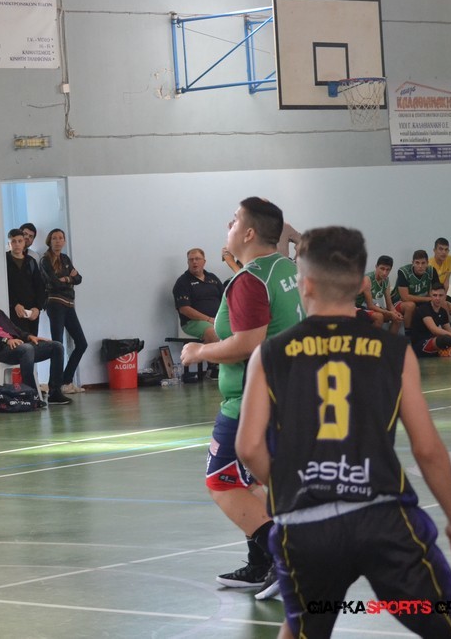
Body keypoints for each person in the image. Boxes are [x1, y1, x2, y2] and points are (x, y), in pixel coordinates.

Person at [236, 226, 451, 639]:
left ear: (304, 283)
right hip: (383, 519)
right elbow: (427, 448)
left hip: (307, 527)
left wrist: (294, 491)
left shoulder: (269, 354)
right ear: (362, 284)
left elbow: (248, 446)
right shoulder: (393, 351)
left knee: (301, 627)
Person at [181, 197, 303, 599]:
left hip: (253, 401)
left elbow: (248, 343)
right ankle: (262, 563)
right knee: (249, 480)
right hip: (286, 393)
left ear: (249, 233)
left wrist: (199, 351)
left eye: (234, 221)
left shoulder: (249, 281)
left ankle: (287, 557)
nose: (228, 225)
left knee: (222, 481)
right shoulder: (283, 268)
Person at [0, 281, 71, 405]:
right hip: (0, 351)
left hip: (18, 347)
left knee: (57, 346)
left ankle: (55, 393)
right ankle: (31, 395)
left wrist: (30, 336)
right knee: (26, 349)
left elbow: (16, 330)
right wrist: (5, 340)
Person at [40, 228, 88, 395]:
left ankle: (65, 381)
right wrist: (70, 279)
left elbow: (79, 278)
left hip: (69, 304)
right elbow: (53, 283)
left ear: (64, 241)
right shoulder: (45, 260)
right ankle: (54, 385)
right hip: (55, 304)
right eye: (55, 238)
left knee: (82, 343)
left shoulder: (65, 259)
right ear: (50, 241)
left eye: (61, 238)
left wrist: (67, 278)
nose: (58, 241)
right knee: (58, 344)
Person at [172, 248, 224, 344]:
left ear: (204, 262)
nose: (194, 262)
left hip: (217, 319)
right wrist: (208, 319)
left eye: (197, 259)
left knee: (241, 329)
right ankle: (210, 354)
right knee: (213, 333)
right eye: (191, 260)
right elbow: (184, 309)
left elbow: (226, 299)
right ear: (188, 262)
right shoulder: (183, 282)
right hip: (193, 322)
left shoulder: (212, 278)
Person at [409, 283, 451, 357]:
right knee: (444, 339)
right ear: (431, 296)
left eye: (440, 295)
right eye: (435, 295)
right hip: (421, 344)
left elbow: (450, 332)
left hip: (434, 341)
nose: (437, 298)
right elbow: (434, 329)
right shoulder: (424, 308)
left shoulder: (443, 311)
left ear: (445, 297)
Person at [5, 228, 46, 336]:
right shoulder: (4, 261)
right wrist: (14, 304)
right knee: (18, 341)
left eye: (20, 241)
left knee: (33, 340)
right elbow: (5, 286)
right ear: (9, 244)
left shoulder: (31, 261)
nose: (17, 244)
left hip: (31, 310)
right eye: (13, 241)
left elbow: (39, 286)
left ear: (24, 243)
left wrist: (37, 308)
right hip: (13, 310)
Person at [391, 250, 439, 330]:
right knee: (410, 306)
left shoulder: (431, 271)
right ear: (412, 263)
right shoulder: (403, 272)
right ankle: (408, 333)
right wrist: (428, 299)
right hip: (399, 301)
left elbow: (438, 290)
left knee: (443, 304)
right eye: (417, 263)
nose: (420, 266)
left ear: (427, 263)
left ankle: (446, 333)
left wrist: (440, 300)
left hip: (421, 301)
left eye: (423, 263)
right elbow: (405, 297)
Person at [355, 254, 402, 333]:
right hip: (356, 306)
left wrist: (395, 312)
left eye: (388, 270)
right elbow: (370, 306)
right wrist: (389, 313)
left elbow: (389, 304)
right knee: (379, 317)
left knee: (397, 318)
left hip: (368, 307)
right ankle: (372, 341)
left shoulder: (386, 280)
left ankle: (390, 340)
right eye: (382, 269)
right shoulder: (367, 279)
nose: (384, 272)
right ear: (376, 267)